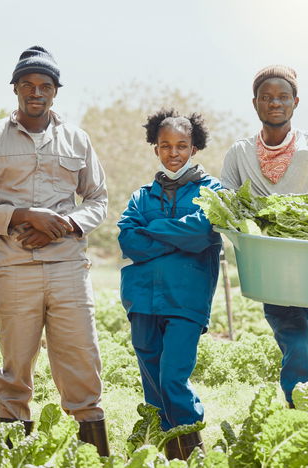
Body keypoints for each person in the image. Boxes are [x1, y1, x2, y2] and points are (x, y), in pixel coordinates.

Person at [0, 46, 109, 454]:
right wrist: (24, 214)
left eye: (45, 85)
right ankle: (15, 457)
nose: (36, 92)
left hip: (68, 267)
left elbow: (98, 199)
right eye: (27, 84)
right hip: (14, 268)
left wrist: (61, 225)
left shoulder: (77, 139)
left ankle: (93, 456)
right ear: (15, 88)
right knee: (16, 366)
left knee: (82, 358)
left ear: (56, 91)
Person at [220, 65, 308, 407]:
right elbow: (225, 201)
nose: (275, 103)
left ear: (295, 102)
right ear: (255, 103)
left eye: (282, 97)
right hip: (274, 265)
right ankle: (302, 412)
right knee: (294, 339)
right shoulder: (239, 153)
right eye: (267, 97)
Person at [117, 109, 222, 460]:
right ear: (155, 148)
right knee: (152, 381)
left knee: (173, 377)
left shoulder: (212, 192)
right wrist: (175, 236)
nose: (173, 152)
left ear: (194, 148)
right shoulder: (141, 196)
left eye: (181, 145)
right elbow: (128, 240)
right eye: (165, 145)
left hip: (185, 300)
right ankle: (165, 450)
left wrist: (152, 231)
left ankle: (191, 448)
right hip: (142, 299)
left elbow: (201, 232)